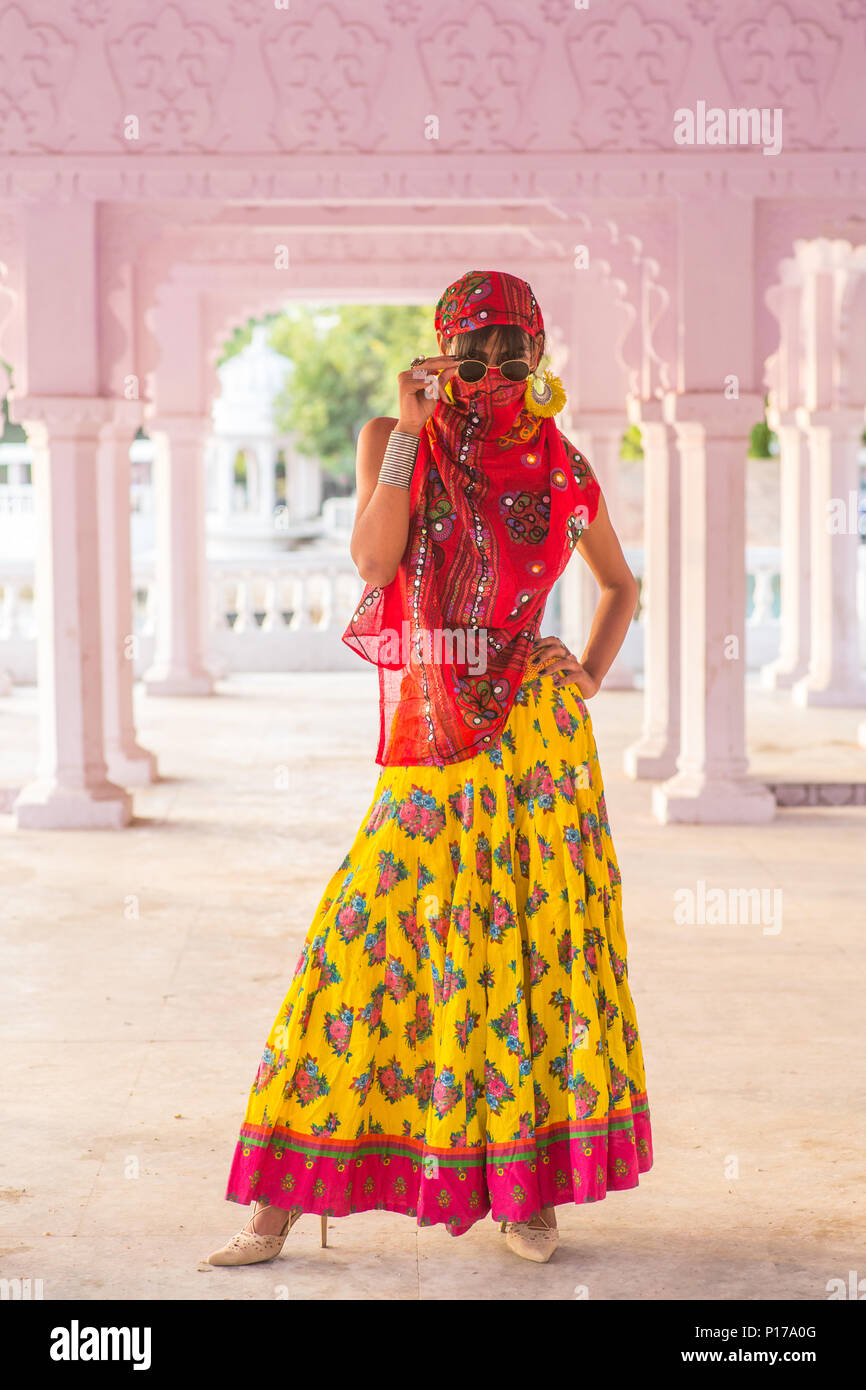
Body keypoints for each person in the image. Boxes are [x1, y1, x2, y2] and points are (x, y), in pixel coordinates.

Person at [206, 269, 652, 1268]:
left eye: (509, 350)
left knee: (528, 965)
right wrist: (409, 432)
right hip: (427, 736)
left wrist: (580, 668)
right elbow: (373, 564)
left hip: (532, 752)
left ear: (535, 356)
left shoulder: (562, 468)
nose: (490, 370)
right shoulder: (391, 440)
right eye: (473, 348)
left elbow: (620, 585)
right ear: (439, 349)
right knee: (355, 946)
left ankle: (523, 1196)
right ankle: (277, 1203)